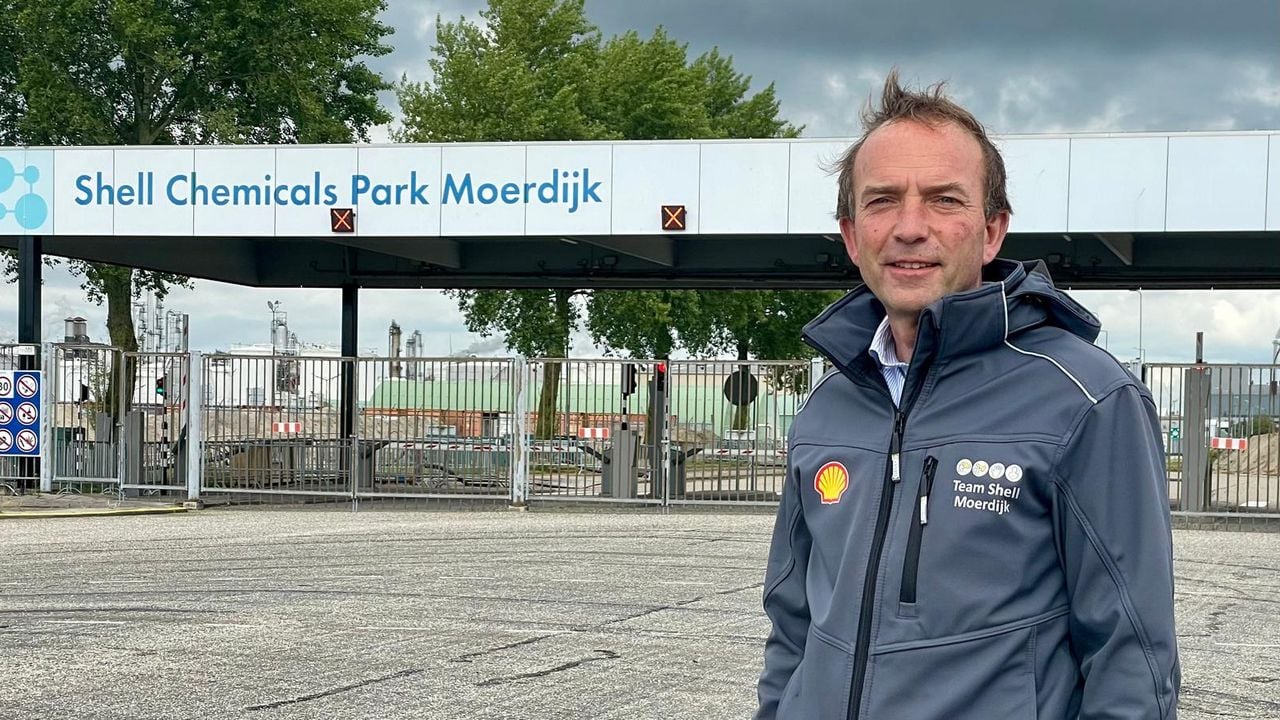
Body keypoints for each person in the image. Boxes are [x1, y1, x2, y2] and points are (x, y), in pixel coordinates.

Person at [755, 71, 1180, 719]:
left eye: (945, 200)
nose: (910, 226)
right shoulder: (828, 408)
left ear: (991, 232)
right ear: (850, 234)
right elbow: (793, 628)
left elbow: (1133, 660)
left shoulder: (1087, 399)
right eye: (882, 200)